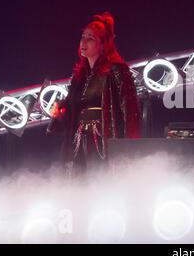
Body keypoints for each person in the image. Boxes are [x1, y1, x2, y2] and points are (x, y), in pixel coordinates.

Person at [48, 12, 141, 176]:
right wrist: (60, 110)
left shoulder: (116, 70)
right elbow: (71, 111)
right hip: (79, 141)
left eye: (90, 38)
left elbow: (131, 111)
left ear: (103, 44)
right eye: (82, 36)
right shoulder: (79, 77)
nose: (83, 41)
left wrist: (128, 150)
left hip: (103, 141)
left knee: (100, 182)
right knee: (79, 184)